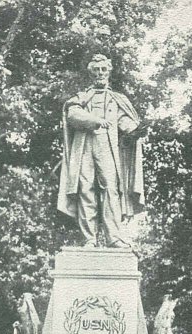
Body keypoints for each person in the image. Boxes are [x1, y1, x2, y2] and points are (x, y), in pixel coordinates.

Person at [57, 53, 148, 247]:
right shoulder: (82, 97)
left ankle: (113, 237)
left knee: (111, 189)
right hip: (85, 147)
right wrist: (96, 121)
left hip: (108, 147)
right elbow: (73, 115)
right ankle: (89, 238)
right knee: (86, 189)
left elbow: (123, 121)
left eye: (103, 69)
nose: (100, 73)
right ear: (91, 73)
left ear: (109, 71)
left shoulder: (117, 99)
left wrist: (134, 130)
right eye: (96, 70)